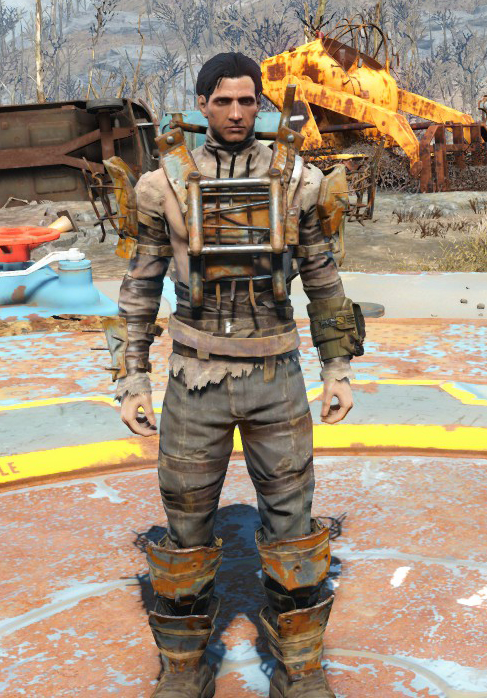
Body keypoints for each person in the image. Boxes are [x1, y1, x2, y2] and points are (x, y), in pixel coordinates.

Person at [109, 52, 364, 698]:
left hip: (277, 375)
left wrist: (337, 368)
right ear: (202, 104)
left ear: (260, 104)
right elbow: (139, 287)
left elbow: (323, 280)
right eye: (222, 100)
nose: (236, 112)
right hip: (194, 378)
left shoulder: (299, 180)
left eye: (247, 100)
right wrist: (132, 378)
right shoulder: (162, 185)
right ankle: (184, 667)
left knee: (294, 530)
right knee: (185, 530)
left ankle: (300, 668)